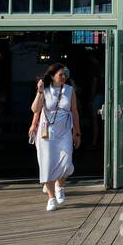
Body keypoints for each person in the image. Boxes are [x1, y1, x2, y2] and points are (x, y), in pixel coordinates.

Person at [28, 64, 81, 211]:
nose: (64, 77)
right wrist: (39, 92)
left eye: (65, 74)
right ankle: (51, 197)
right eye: (61, 75)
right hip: (48, 130)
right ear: (52, 76)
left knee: (67, 163)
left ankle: (60, 185)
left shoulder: (70, 91)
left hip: (64, 131)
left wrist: (77, 132)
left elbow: (75, 112)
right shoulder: (45, 90)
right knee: (47, 163)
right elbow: (35, 110)